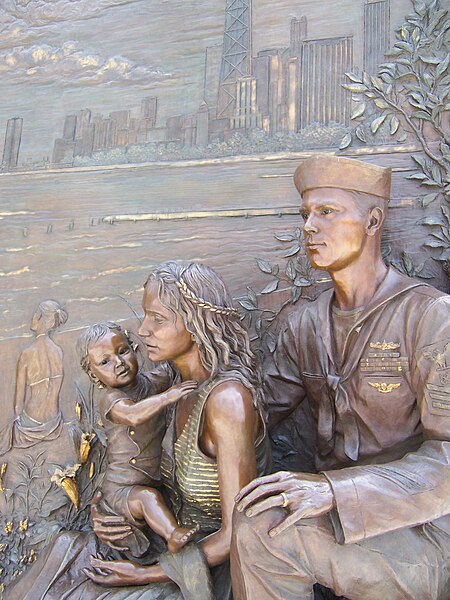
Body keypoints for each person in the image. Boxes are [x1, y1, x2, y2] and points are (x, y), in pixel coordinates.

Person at [230, 155, 450, 600]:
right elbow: (253, 413)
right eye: (305, 215)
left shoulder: (429, 317)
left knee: (265, 534)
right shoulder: (303, 325)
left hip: (417, 530)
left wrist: (335, 491)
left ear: (373, 220)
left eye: (327, 212)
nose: (310, 226)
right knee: (259, 519)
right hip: (336, 528)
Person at [7, 261, 270, 600]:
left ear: (196, 322)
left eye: (158, 319)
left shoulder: (228, 401)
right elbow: (133, 461)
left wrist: (143, 575)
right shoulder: (170, 384)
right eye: (146, 316)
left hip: (204, 572)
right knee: (62, 554)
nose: (143, 330)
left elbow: (239, 534)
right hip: (163, 543)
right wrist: (108, 511)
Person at [76, 321, 199, 555]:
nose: (119, 363)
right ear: (93, 374)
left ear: (134, 348)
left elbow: (172, 367)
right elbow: (132, 415)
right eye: (105, 362)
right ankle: (173, 535)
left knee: (155, 495)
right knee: (147, 498)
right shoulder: (110, 398)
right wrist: (167, 397)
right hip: (124, 487)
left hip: (157, 478)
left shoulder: (150, 382)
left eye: (122, 351)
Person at [0, 300, 68, 455]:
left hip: (32, 422)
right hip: (54, 421)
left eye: (35, 315)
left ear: (40, 318)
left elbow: (18, 404)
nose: (32, 318)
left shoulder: (27, 354)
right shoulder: (58, 351)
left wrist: (18, 419)